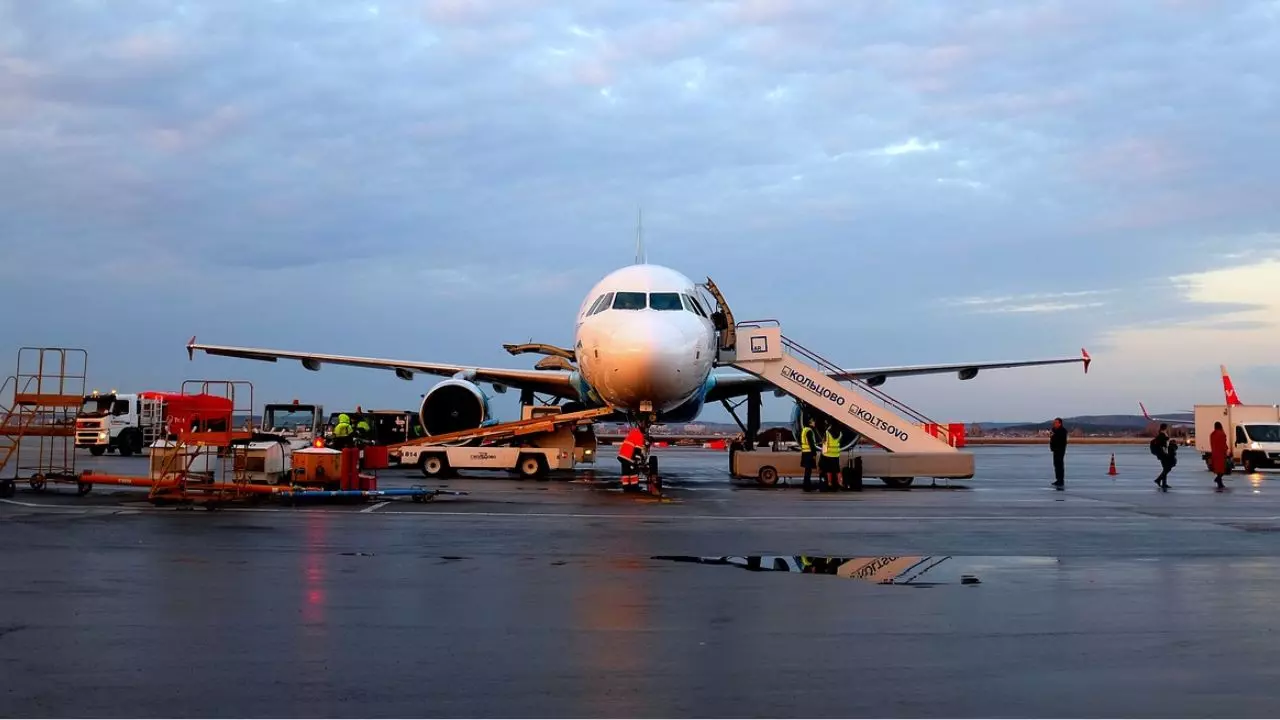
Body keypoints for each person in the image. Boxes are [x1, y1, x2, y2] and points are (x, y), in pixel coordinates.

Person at [616, 426, 645, 492]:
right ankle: (634, 488)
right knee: (634, 472)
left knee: (625, 473)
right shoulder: (640, 436)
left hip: (622, 456)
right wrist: (637, 461)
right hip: (628, 457)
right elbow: (637, 451)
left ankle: (626, 487)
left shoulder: (633, 433)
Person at [820, 421, 844, 491]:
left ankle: (829, 483)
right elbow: (840, 442)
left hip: (828, 454)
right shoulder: (840, 433)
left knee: (828, 470)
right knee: (837, 470)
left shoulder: (827, 432)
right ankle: (840, 482)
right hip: (836, 454)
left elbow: (824, 441)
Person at [1150, 423, 1173, 490]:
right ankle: (1159, 480)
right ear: (1165, 428)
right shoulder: (1162, 435)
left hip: (1163, 453)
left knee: (1165, 468)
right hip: (1163, 454)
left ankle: (1163, 483)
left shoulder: (1162, 435)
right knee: (1167, 468)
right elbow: (1163, 444)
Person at [799, 417, 818, 492]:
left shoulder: (804, 430)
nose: (814, 423)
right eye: (813, 421)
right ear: (810, 423)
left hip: (805, 452)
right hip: (809, 453)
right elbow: (811, 443)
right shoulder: (809, 431)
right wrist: (814, 453)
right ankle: (807, 486)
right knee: (808, 471)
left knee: (807, 470)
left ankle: (806, 485)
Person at [1049, 417, 1067, 489]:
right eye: (1054, 422)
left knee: (1060, 465)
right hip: (1055, 449)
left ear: (1060, 423)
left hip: (1060, 449)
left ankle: (1061, 480)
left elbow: (1061, 440)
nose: (1054, 424)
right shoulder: (1053, 430)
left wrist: (1054, 436)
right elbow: (1052, 439)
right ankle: (1057, 479)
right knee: (1056, 464)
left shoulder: (1063, 430)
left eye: (1056, 422)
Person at [1209, 421, 1228, 489]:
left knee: (1218, 469)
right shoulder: (1222, 434)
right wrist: (1226, 449)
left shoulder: (1212, 434)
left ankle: (1219, 482)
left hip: (1215, 453)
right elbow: (1223, 443)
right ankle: (1218, 480)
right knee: (1222, 469)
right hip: (1221, 453)